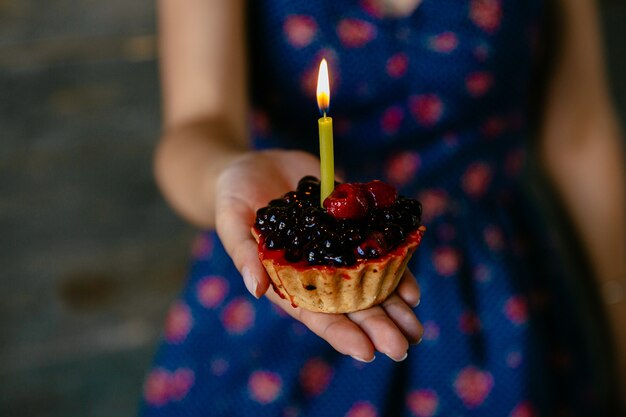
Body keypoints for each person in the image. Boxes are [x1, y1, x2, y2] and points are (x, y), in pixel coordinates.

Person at [141, 0, 626, 415]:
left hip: (498, 295)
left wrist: (619, 311)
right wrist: (225, 174)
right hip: (284, 281)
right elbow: (194, 128)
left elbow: (580, 136)